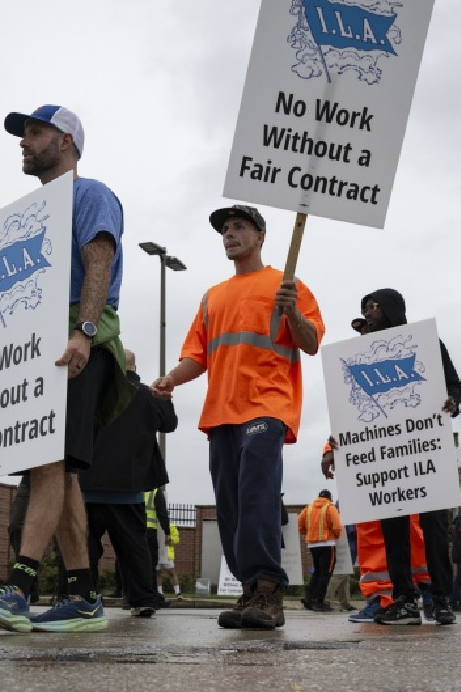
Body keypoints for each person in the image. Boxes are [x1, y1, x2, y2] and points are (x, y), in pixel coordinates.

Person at [0, 104, 129, 634]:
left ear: (67, 142)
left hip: (76, 341)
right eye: (23, 135)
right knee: (60, 471)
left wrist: (86, 331)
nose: (24, 142)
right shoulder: (26, 216)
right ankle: (83, 594)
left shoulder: (90, 194)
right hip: (34, 346)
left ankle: (20, 589)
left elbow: (99, 258)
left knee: (48, 458)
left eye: (35, 132)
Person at [151, 204, 324, 630]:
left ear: (261, 235)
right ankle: (249, 588)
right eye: (225, 230)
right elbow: (197, 356)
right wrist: (172, 378)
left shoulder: (287, 285)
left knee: (257, 495)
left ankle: (269, 590)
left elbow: (312, 342)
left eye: (240, 227)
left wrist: (294, 314)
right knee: (228, 505)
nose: (230, 235)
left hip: (268, 403)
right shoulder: (213, 296)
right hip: (222, 412)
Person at [350, 288, 461, 626]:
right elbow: (351, 404)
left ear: (393, 309)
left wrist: (452, 402)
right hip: (387, 456)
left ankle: (441, 600)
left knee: (433, 525)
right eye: (366, 307)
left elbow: (453, 384)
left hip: (424, 449)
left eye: (376, 305)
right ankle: (404, 600)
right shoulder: (360, 351)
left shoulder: (426, 344)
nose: (370, 311)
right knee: (393, 528)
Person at [77, 349, 174, 617]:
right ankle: (142, 599)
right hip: (128, 487)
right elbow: (169, 423)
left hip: (89, 485)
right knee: (134, 548)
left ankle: (82, 598)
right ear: (134, 367)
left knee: (85, 548)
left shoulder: (94, 392)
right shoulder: (146, 394)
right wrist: (165, 399)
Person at [298, 489, 342, 611]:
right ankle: (319, 600)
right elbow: (337, 526)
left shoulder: (309, 508)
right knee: (326, 573)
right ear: (329, 498)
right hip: (327, 544)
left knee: (317, 572)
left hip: (312, 545)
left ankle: (309, 597)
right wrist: (336, 535)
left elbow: (300, 524)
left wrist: (307, 534)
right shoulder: (329, 507)